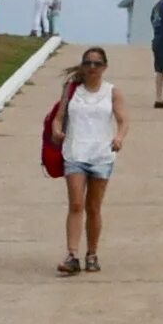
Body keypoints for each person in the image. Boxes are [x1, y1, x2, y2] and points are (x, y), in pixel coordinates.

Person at [54, 46, 126, 275]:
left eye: (97, 64)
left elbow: (123, 120)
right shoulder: (72, 90)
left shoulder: (112, 92)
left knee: (93, 207)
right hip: (75, 153)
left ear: (104, 67)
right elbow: (59, 117)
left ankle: (92, 252)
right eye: (88, 63)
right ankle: (72, 254)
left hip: (101, 156)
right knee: (76, 204)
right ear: (83, 66)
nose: (92, 68)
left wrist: (119, 138)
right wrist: (57, 132)